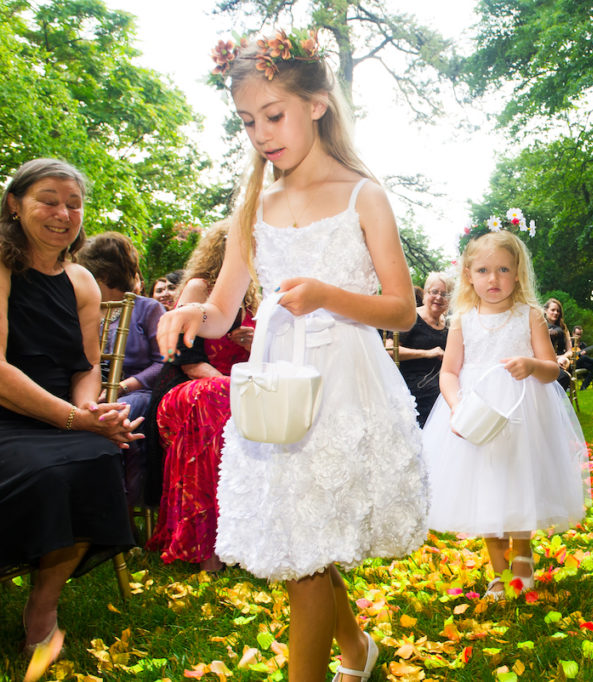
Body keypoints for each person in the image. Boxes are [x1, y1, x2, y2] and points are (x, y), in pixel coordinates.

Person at [156, 29, 427, 682]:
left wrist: (331, 294)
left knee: (307, 548)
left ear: (316, 103)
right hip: (279, 391)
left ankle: (336, 662)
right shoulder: (255, 203)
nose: (261, 134)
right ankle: (357, 649)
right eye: (248, 122)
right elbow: (224, 308)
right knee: (301, 543)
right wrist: (195, 314)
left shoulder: (364, 194)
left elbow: (401, 309)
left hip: (343, 384)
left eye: (272, 116)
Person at [0, 158, 141, 669]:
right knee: (49, 469)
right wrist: (72, 418)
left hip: (60, 414)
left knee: (100, 455)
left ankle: (42, 605)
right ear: (15, 204)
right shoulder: (1, 263)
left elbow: (85, 366)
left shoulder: (81, 279)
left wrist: (92, 411)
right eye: (50, 200)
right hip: (7, 415)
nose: (63, 213)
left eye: (74, 204)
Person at [420, 230, 590, 600]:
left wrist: (530, 364)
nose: (493, 279)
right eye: (483, 270)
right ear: (468, 275)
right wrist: (457, 405)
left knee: (518, 481)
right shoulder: (462, 319)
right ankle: (499, 574)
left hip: (521, 414)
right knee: (486, 488)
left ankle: (523, 560)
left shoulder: (529, 315)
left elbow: (551, 369)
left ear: (517, 274)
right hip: (476, 411)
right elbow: (449, 371)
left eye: (502, 269)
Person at [145, 222, 256, 574]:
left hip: (228, 393)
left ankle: (249, 540)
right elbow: (185, 359)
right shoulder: (199, 287)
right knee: (217, 398)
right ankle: (206, 550)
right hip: (185, 392)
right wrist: (232, 385)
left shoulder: (254, 299)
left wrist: (254, 344)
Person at [75, 232, 165, 506]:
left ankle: (122, 507)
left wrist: (121, 387)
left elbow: (164, 363)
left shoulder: (149, 309)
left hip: (139, 393)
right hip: (88, 394)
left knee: (120, 414)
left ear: (102, 274)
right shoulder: (84, 310)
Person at [396, 272, 452, 426]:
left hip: (439, 392)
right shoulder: (411, 317)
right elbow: (390, 350)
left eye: (445, 294)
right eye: (434, 292)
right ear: (426, 293)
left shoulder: (448, 326)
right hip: (412, 392)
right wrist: (428, 353)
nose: (439, 298)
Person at [544, 298, 573, 390]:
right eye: (553, 310)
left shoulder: (564, 328)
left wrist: (563, 357)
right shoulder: (540, 326)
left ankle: (555, 401)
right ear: (545, 310)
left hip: (562, 361)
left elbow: (570, 351)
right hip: (546, 360)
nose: (556, 313)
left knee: (563, 376)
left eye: (558, 311)